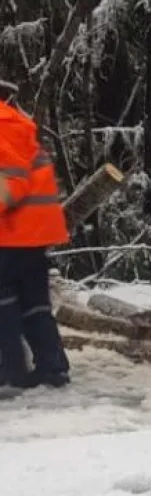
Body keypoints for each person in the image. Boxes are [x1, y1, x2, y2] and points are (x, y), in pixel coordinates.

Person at [0, 98, 72, 389]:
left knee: (3, 300)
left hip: (12, 233)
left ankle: (9, 370)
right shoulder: (13, 123)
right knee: (33, 302)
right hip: (34, 234)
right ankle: (51, 367)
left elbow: (12, 181)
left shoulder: (3, 127)